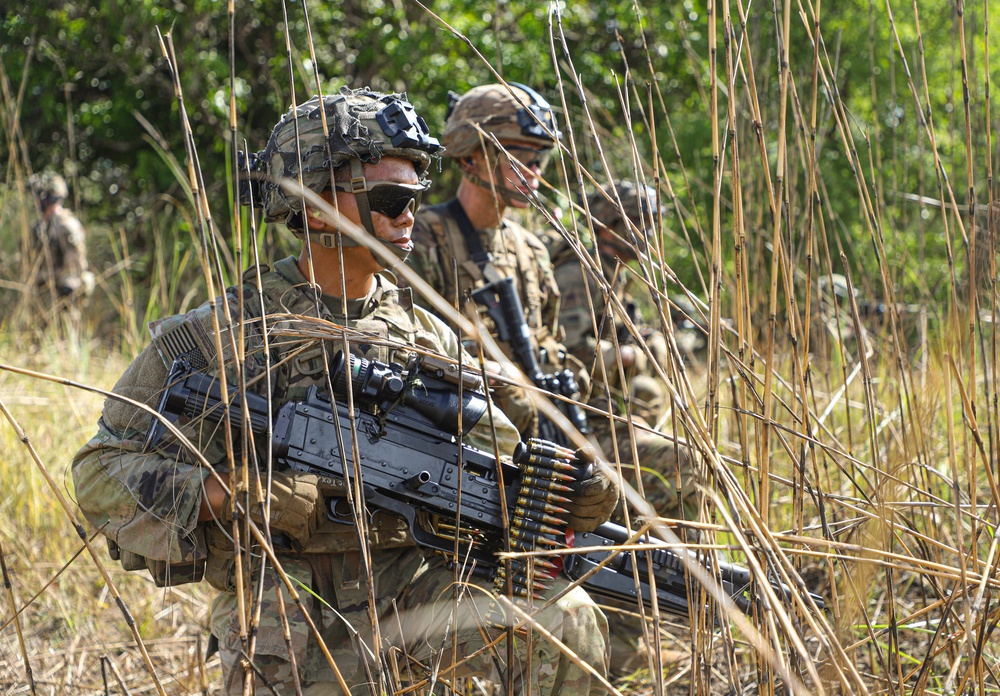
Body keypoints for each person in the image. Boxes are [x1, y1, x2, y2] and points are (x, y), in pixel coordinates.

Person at [71, 87, 616, 695]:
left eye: (415, 196)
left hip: (414, 595)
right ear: (314, 205)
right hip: (290, 611)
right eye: (390, 198)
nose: (409, 214)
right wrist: (231, 495)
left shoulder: (427, 335)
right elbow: (98, 474)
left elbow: (490, 462)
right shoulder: (218, 337)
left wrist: (557, 497)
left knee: (562, 620)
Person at [541, 181, 702, 675]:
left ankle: (630, 633)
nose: (650, 236)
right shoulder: (579, 273)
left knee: (655, 409)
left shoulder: (611, 274)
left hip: (600, 418)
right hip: (574, 426)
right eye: (641, 223)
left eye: (652, 224)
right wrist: (629, 354)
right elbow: (563, 355)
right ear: (613, 225)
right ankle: (636, 635)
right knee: (679, 463)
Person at [405, 82, 565, 439]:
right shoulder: (424, 238)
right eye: (520, 158)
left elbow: (552, 338)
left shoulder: (531, 249)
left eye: (541, 159)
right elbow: (404, 349)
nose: (535, 171)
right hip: (460, 436)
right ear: (468, 157)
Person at [29, 171, 94, 315]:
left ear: (50, 198)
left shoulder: (66, 226)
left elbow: (74, 266)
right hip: (43, 295)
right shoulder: (40, 226)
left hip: (62, 297)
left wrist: (65, 291)